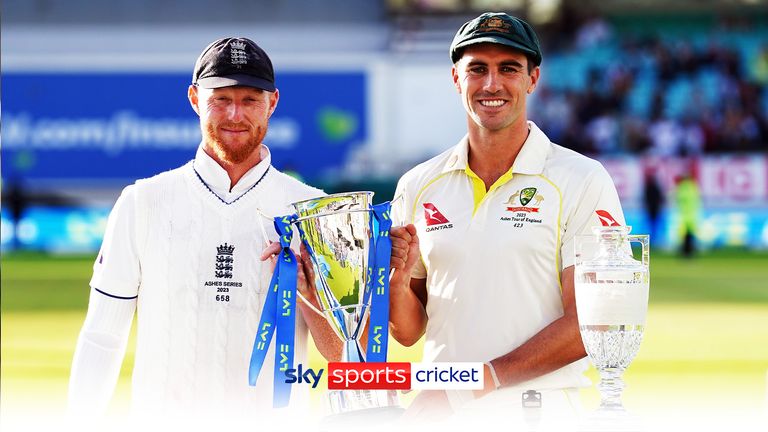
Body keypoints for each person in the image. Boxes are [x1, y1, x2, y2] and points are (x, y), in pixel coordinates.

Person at [67, 37, 340, 420]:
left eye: (249, 100)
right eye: (221, 99)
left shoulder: (313, 210)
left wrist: (310, 294)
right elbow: (103, 336)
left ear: (272, 103)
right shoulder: (142, 202)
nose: (235, 115)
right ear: (194, 99)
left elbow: (349, 356)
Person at [387, 12, 627, 422]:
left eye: (509, 69)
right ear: (456, 78)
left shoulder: (581, 179)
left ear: (532, 79)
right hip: (440, 414)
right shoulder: (419, 184)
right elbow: (408, 333)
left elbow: (593, 322)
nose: (492, 84)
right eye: (477, 69)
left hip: (539, 413)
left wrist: (477, 385)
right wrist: (397, 280)